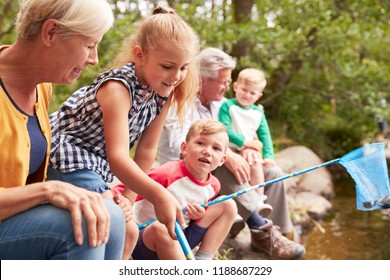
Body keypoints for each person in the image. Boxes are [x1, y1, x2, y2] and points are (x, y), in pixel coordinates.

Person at [46, 6, 200, 259]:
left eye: (183, 68)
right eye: (167, 66)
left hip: (98, 166)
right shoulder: (118, 89)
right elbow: (118, 157)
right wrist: (158, 194)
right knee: (125, 229)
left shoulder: (162, 92)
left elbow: (147, 149)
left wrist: (128, 198)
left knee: (127, 226)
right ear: (139, 55)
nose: (176, 77)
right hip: (68, 156)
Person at [0, 0, 126, 260]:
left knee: (110, 216)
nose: (95, 59)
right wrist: (49, 190)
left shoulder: (41, 88)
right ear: (50, 32)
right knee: (78, 227)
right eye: (89, 45)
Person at [158, 47, 306, 259]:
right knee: (225, 165)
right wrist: (227, 154)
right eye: (223, 81)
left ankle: (278, 233)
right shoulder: (179, 104)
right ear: (202, 80)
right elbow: (181, 149)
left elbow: (240, 134)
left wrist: (250, 148)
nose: (228, 86)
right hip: (186, 174)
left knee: (272, 172)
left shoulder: (222, 105)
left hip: (213, 168)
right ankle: (262, 229)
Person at [126, 119, 237, 260]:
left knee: (228, 205)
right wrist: (123, 203)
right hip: (149, 243)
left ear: (222, 159)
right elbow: (127, 187)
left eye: (216, 148)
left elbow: (195, 217)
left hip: (182, 238)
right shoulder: (166, 173)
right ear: (184, 148)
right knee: (162, 227)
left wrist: (198, 215)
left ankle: (202, 259)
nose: (207, 151)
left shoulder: (214, 185)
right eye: (200, 143)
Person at [218, 68, 274, 217]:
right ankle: (235, 207)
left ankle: (259, 200)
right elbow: (225, 129)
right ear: (236, 87)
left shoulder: (258, 113)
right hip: (230, 149)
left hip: (249, 151)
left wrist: (269, 155)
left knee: (255, 164)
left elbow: (265, 135)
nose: (247, 95)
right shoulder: (228, 106)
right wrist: (247, 143)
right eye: (244, 90)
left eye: (252, 93)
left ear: (259, 96)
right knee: (234, 174)